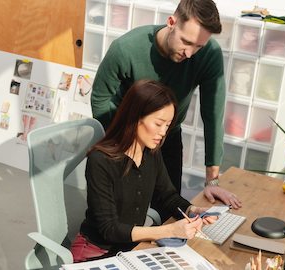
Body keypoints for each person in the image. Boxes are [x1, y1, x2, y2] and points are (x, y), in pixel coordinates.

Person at [91, 0, 242, 209]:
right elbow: (100, 99)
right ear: (171, 22)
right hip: (125, 138)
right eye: (186, 42)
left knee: (169, 209)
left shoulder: (209, 55)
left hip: (168, 137)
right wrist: (120, 142)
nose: (190, 53)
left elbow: (213, 117)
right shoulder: (125, 49)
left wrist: (212, 181)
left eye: (199, 46)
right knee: (122, 213)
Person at [71, 80, 217, 262]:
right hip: (95, 252)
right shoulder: (100, 160)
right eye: (158, 123)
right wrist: (169, 230)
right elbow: (109, 228)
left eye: (168, 125)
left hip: (130, 249)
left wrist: (193, 210)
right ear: (135, 117)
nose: (163, 132)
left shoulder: (151, 152)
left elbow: (168, 196)